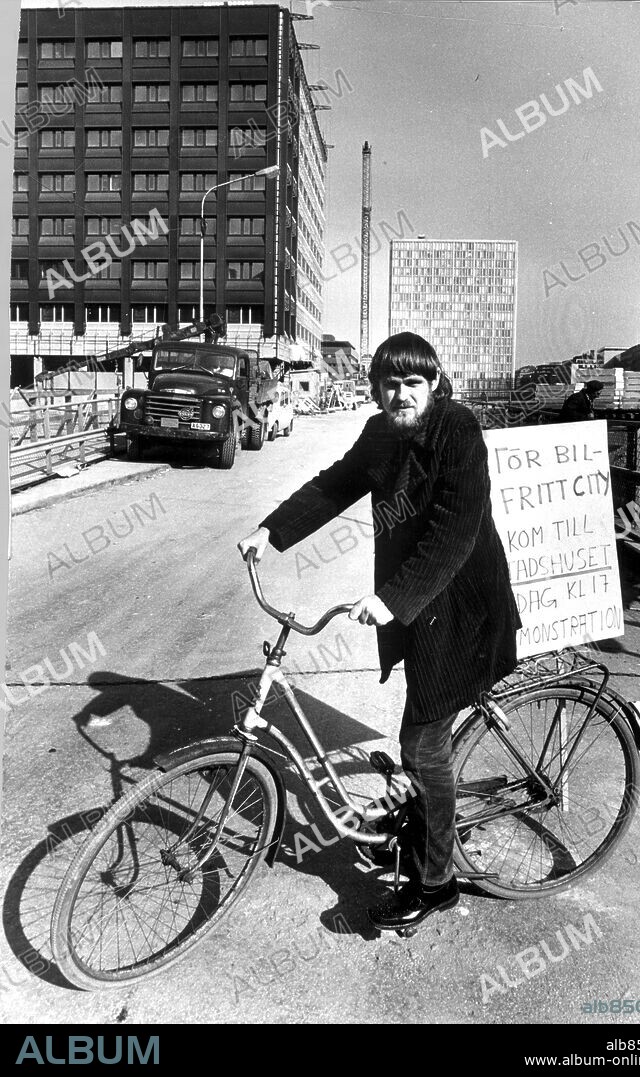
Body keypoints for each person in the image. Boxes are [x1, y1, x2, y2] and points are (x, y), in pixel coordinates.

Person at [237, 332, 521, 932]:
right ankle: (417, 828)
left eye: (413, 382)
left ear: (435, 382)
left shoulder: (459, 432)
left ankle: (436, 883)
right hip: (416, 602)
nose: (400, 394)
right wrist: (271, 530)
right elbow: (335, 485)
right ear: (376, 388)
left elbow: (454, 531)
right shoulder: (380, 433)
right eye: (389, 383)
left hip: (463, 603)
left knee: (423, 743)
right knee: (419, 736)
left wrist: (392, 600)